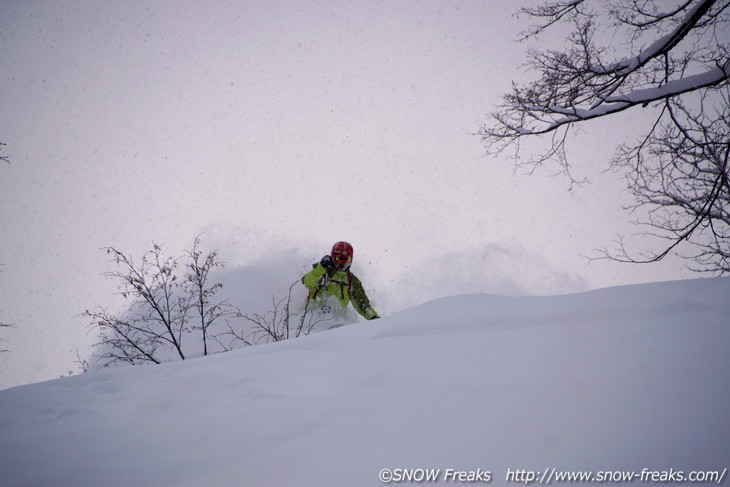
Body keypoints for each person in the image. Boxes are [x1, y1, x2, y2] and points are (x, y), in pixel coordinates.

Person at [301, 241, 380, 321]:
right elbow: (306, 282)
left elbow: (363, 305)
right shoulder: (322, 272)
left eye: (346, 259)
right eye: (340, 258)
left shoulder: (351, 280)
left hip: (337, 323)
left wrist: (374, 318)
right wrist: (321, 267)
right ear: (333, 257)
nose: (342, 263)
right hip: (312, 320)